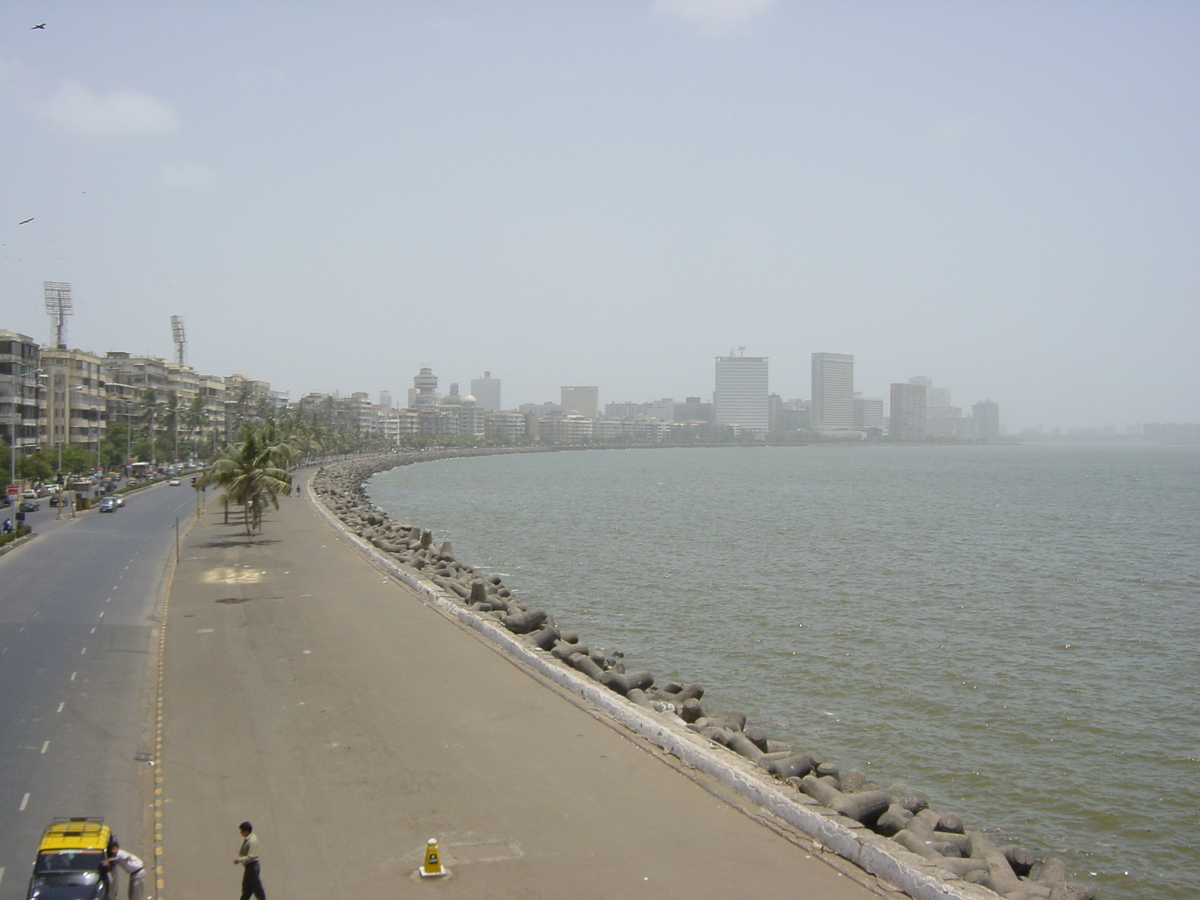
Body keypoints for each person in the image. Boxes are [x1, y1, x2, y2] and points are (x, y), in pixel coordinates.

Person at [233, 821, 266, 900]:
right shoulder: (249, 839)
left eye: (242, 831)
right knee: (246, 888)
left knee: (256, 888)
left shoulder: (252, 841)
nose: (241, 833)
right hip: (249, 866)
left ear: (247, 830)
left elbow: (253, 856)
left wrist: (240, 860)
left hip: (252, 866)